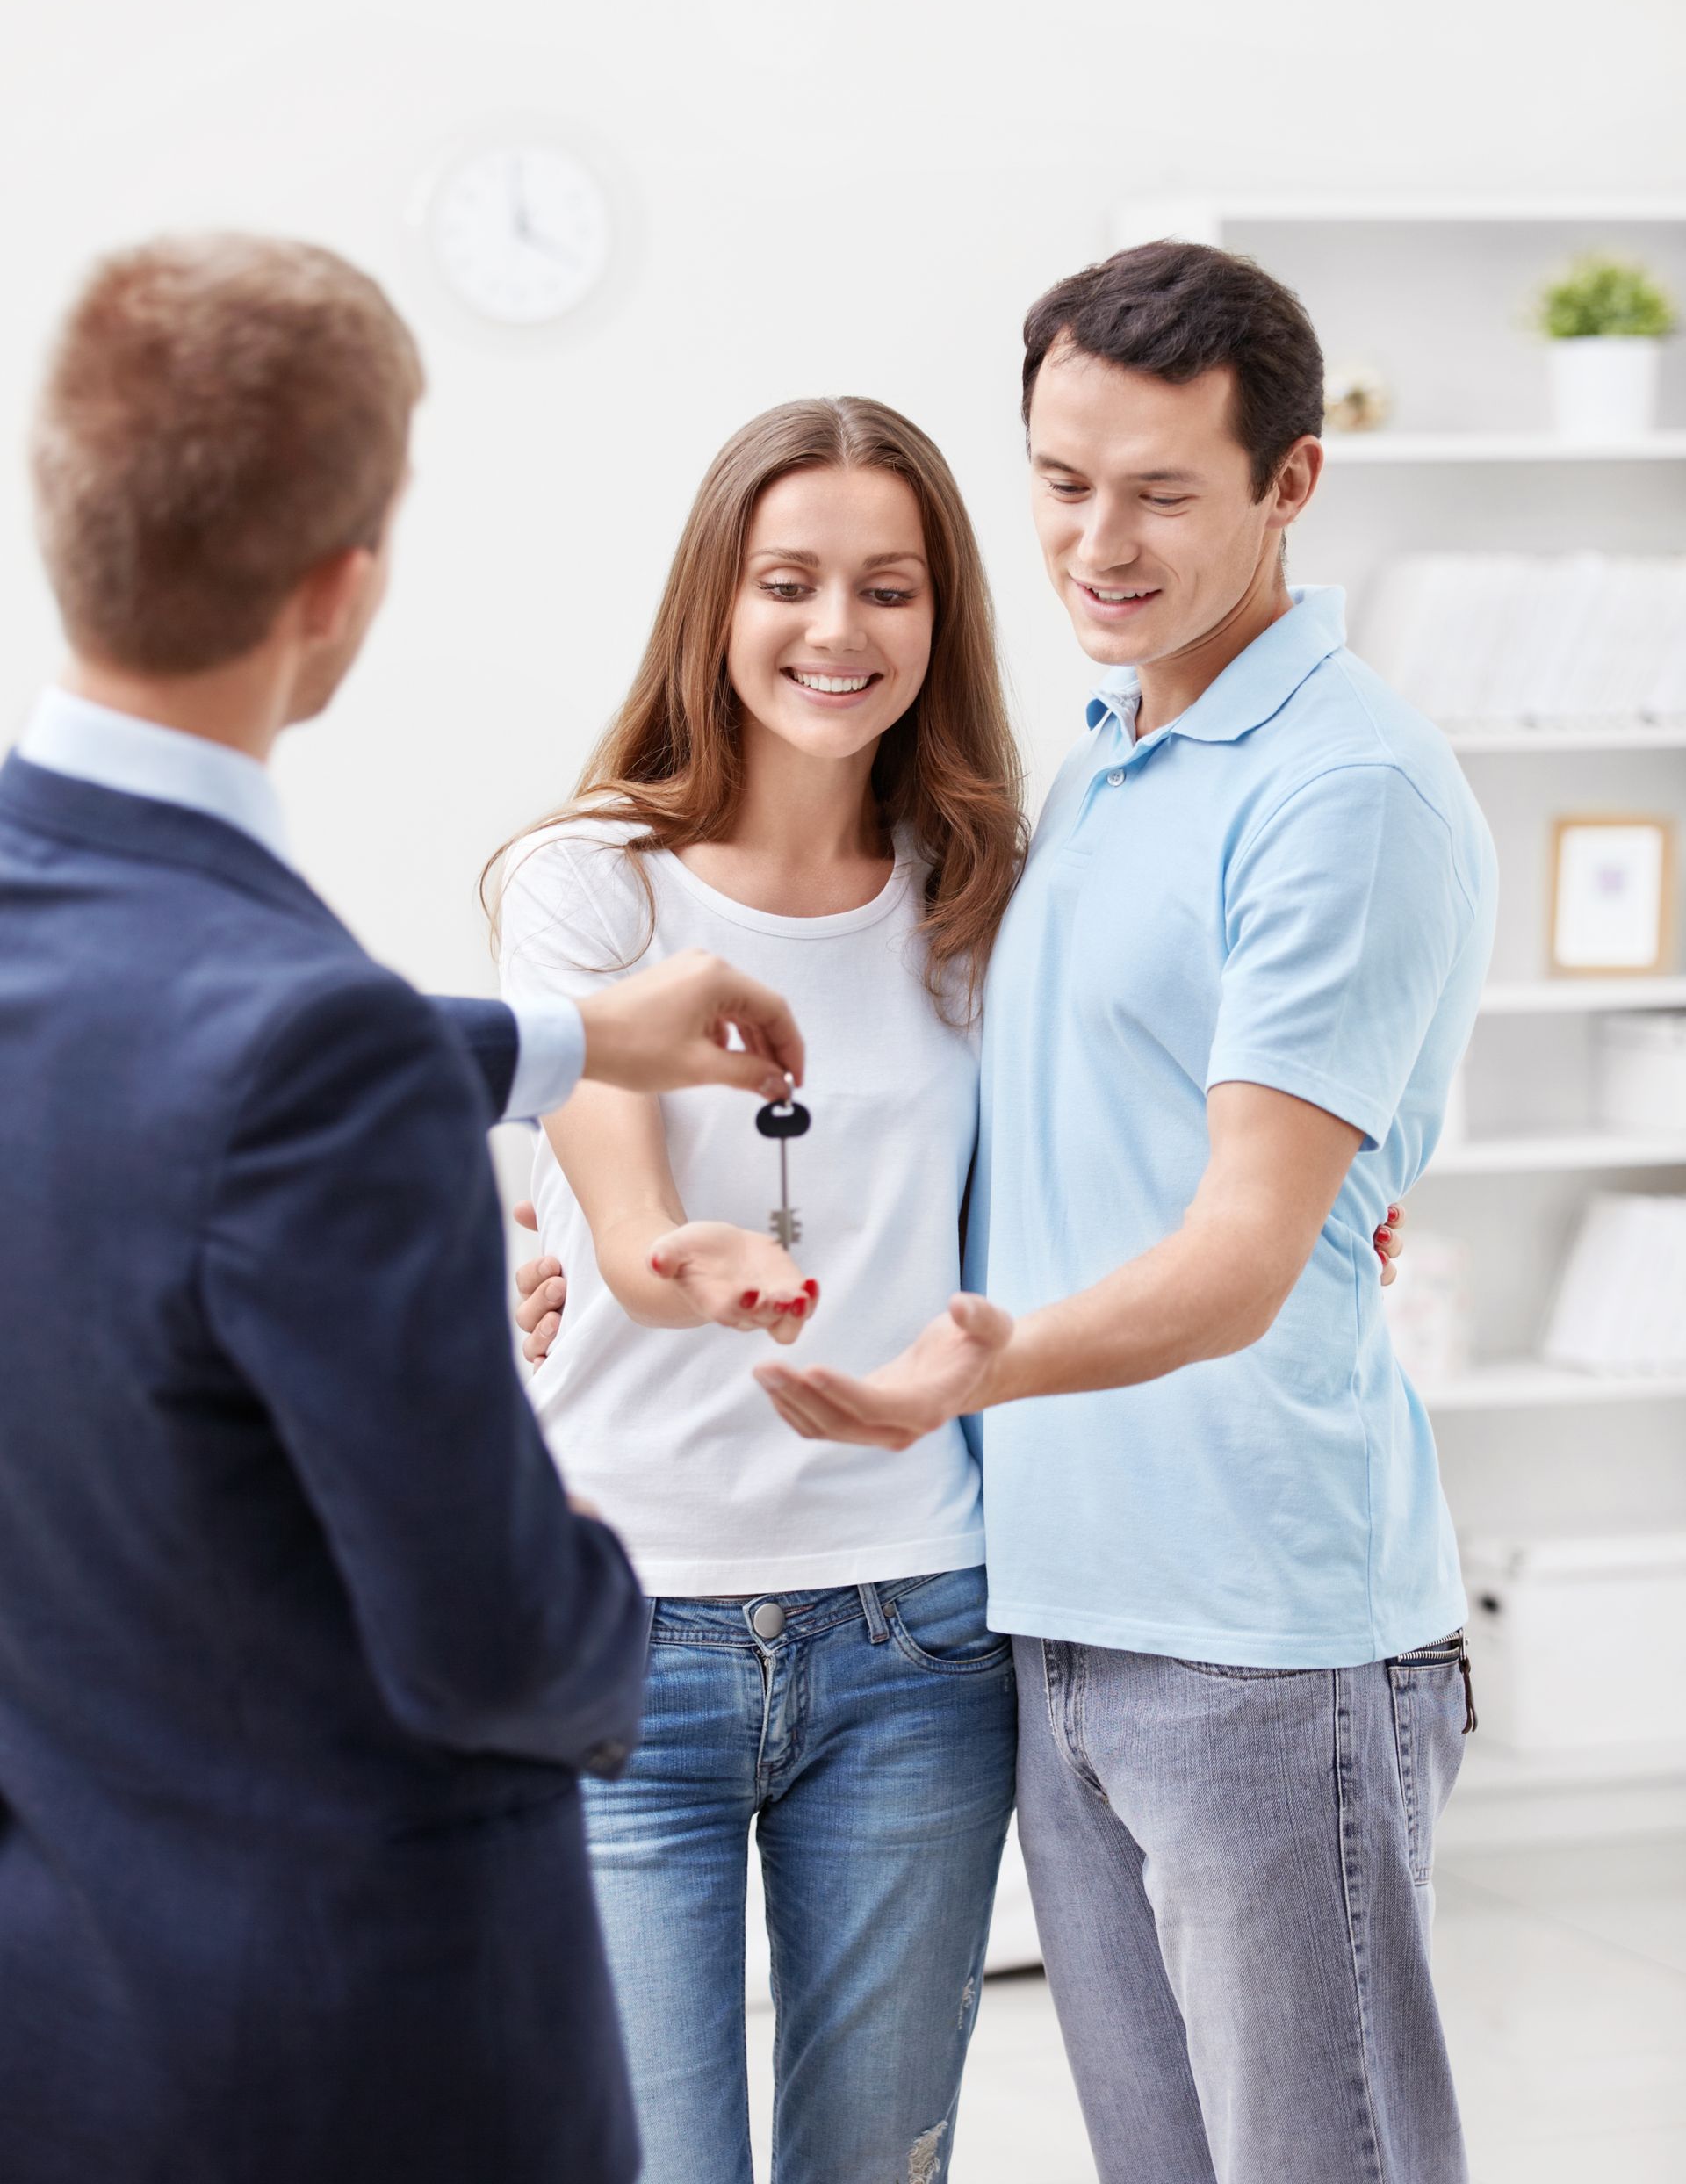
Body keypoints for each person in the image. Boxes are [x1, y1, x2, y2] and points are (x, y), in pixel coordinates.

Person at [500, 393, 1406, 2184]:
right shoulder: (590, 883)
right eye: (789, 582)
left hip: (911, 1633)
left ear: (941, 618)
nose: (838, 633)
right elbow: (618, 1212)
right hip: (621, 1628)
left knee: (878, 2163)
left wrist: (1358, 1196)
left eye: (889, 589)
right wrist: (685, 1268)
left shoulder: (979, 894)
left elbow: (1147, 1115)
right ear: (717, 600)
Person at [0, 234, 805, 2184]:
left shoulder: (163, 981)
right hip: (351, 2057)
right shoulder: (314, 1060)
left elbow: (152, 1060)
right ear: (339, 591)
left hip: (71, 2019)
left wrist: (567, 1036)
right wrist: (579, 1553)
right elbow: (491, 1649)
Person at [758, 241, 1496, 2184]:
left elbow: (1246, 1252)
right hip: (1063, 1604)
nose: (1100, 540)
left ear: (1289, 486)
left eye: (1165, 492)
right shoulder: (1095, 767)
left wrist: (984, 1363)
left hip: (1260, 1624)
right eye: (1063, 480)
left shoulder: (1343, 792)